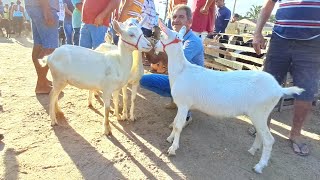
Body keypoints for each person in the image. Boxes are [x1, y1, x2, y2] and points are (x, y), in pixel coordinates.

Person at [252, 0, 320, 156]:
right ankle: (263, 127)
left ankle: (295, 134)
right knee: (267, 85)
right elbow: (268, 4)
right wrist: (257, 32)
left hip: (314, 43)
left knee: (306, 90)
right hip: (279, 38)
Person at [140, 4, 204, 123]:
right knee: (143, 80)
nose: (176, 21)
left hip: (192, 84)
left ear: (189, 21)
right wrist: (146, 48)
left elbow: (177, 62)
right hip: (180, 78)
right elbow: (155, 59)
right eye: (174, 17)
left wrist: (155, 49)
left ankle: (186, 114)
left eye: (181, 17)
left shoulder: (193, 41)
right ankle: (176, 100)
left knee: (166, 80)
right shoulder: (171, 38)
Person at [25, 0, 59, 94]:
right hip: (44, 6)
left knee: (39, 45)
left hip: (35, 6)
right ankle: (41, 84)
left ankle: (42, 80)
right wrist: (46, 10)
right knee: (50, 47)